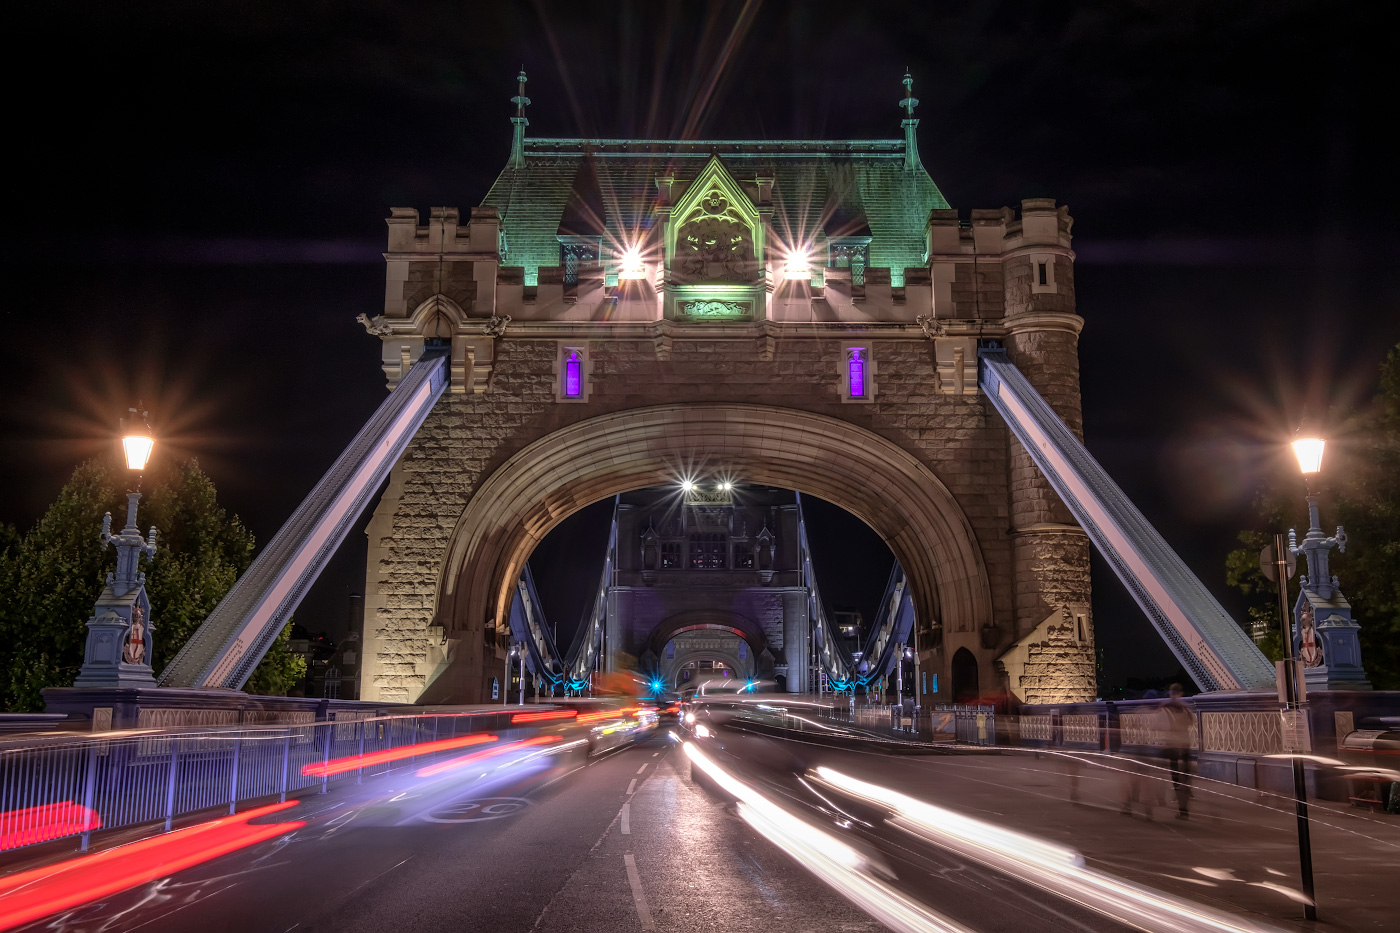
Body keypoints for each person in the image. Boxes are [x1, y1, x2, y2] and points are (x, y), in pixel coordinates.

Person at [1162, 683, 1194, 819]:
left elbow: (1162, 725)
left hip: (1173, 744)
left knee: (1175, 772)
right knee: (1185, 772)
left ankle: (1181, 804)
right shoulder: (1186, 708)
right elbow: (1191, 722)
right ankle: (1186, 793)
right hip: (1185, 742)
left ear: (1170, 693)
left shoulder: (1166, 708)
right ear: (1181, 693)